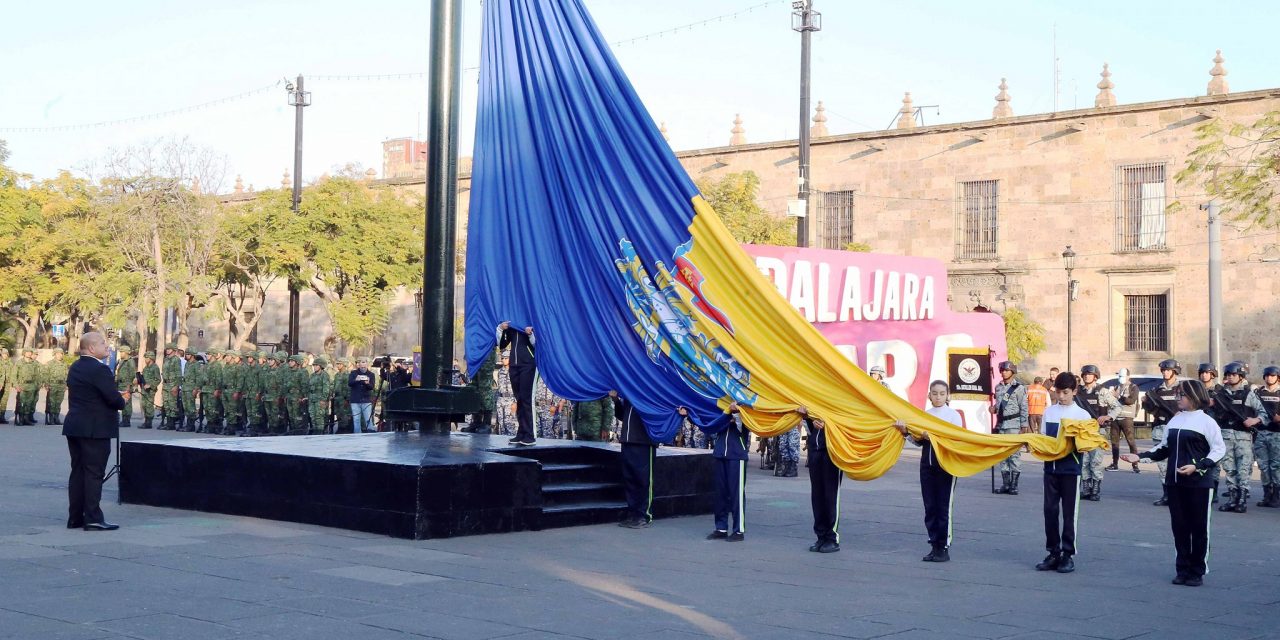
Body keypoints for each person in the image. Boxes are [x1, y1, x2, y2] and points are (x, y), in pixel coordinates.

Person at [1122, 379, 1225, 587]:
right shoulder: (1175, 421)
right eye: (1178, 394)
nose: (1178, 398)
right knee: (1179, 527)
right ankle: (1182, 568)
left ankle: (1197, 570)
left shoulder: (1207, 422)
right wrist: (1138, 456)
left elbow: (1219, 449)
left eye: (1182, 395)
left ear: (1195, 397)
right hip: (1175, 482)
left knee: (1199, 527)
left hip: (1199, 483)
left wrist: (1198, 466)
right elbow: (1163, 449)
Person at [62, 332, 127, 532]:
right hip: (95, 429)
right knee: (93, 473)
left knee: (78, 472)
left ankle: (75, 517)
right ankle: (93, 518)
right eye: (102, 343)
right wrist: (121, 399)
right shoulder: (100, 369)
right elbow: (113, 399)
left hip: (75, 426)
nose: (107, 347)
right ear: (91, 348)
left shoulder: (76, 366)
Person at [893, 380, 963, 562]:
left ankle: (943, 547)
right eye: (934, 393)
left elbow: (956, 440)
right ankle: (934, 544)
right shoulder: (925, 415)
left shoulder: (953, 416)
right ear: (929, 395)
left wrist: (932, 436)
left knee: (943, 507)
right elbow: (918, 441)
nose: (938, 397)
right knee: (930, 507)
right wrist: (905, 432)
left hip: (946, 467)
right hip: (927, 466)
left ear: (948, 395)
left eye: (941, 393)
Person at [1035, 371, 1092, 574]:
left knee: (1069, 514)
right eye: (1058, 392)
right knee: (1049, 511)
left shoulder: (1082, 416)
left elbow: (1088, 445)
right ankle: (1053, 552)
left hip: (1070, 470)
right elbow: (1042, 438)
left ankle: (1068, 554)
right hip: (1050, 469)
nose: (1061, 396)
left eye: (1066, 392)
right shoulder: (1050, 412)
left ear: (1074, 391)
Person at [1212, 361, 1262, 513]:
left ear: (1241, 376)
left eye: (1234, 374)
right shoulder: (1220, 394)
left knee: (1243, 468)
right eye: (1228, 375)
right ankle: (1232, 498)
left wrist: (1255, 420)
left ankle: (1242, 500)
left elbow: (1263, 411)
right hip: (1226, 435)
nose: (1230, 377)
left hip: (1243, 437)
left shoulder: (1248, 394)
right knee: (1229, 468)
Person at [700, 402, 749, 542]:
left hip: (737, 456)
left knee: (736, 495)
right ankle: (721, 528)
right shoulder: (721, 408)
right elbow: (713, 427)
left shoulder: (744, 407)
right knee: (720, 493)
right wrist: (726, 415)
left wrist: (735, 414)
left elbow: (741, 428)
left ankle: (738, 530)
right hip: (720, 454)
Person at [1075, 364, 1122, 501]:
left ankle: (1095, 489)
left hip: (1097, 432)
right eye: (1085, 374)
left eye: (1090, 374)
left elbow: (1117, 406)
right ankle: (1086, 488)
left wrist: (1108, 416)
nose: (1087, 376)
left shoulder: (1102, 391)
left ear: (1096, 376)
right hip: (1083, 431)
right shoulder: (1078, 392)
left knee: (1095, 461)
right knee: (1084, 462)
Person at [610, 390, 656, 528]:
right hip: (627, 440)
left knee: (643, 480)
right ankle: (633, 513)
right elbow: (621, 415)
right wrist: (616, 400)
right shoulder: (629, 392)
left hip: (644, 442)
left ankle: (643, 515)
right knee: (630, 479)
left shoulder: (650, 393)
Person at [802, 406, 842, 553]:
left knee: (831, 496)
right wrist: (808, 418)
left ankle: (832, 538)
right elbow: (810, 428)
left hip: (833, 452)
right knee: (817, 496)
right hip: (815, 450)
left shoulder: (838, 399)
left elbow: (847, 422)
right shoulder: (815, 398)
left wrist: (828, 425)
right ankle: (821, 536)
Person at [1142, 359, 1182, 506]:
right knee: (1163, 465)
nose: (1165, 372)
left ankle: (1180, 494)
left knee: (1180, 462)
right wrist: (1146, 402)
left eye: (1168, 370)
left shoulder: (1182, 388)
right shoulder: (1157, 390)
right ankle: (1167, 494)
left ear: (1175, 371)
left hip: (1178, 430)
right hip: (1160, 428)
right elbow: (1150, 410)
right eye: (1163, 370)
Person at [991, 361, 1028, 495]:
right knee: (1003, 454)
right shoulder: (998, 387)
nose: (1004, 372)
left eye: (1007, 370)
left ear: (1012, 372)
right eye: (1002, 370)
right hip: (1001, 425)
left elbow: (1023, 407)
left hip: (1014, 425)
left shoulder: (1019, 388)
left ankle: (1014, 485)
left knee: (1014, 455)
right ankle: (1005, 484)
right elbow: (998, 405)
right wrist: (993, 409)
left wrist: (1024, 424)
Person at [498, 321, 537, 446]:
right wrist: (501, 329)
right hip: (514, 365)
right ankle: (521, 432)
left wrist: (530, 334)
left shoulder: (531, 321)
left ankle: (529, 435)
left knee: (526, 399)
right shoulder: (513, 325)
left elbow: (538, 344)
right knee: (519, 399)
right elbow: (502, 344)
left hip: (527, 364)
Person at [1251, 366, 1280, 508]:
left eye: (1272, 375)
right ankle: (1267, 495)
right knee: (1263, 466)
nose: (1269, 378)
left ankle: (1276, 495)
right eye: (1267, 375)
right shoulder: (1258, 393)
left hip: (1277, 434)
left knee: (1276, 466)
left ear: (1277, 377)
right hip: (1261, 433)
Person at [1107, 368, 1141, 473]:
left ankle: (1135, 465)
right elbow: (1112, 402)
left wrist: (1119, 396)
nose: (1120, 379)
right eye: (1119, 376)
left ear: (1128, 377)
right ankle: (1115, 464)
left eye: (1122, 376)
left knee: (1131, 442)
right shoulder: (1117, 387)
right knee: (1114, 442)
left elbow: (1130, 400)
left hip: (1127, 418)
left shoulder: (1133, 387)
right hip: (1115, 417)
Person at [349, 357, 376, 433]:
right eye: (361, 366)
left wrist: (367, 383)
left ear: (367, 365)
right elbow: (350, 383)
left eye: (364, 366)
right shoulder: (353, 373)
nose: (363, 368)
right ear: (359, 365)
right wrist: (356, 380)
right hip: (355, 400)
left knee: (368, 419)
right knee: (356, 419)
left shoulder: (371, 374)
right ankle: (357, 435)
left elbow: (372, 387)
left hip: (366, 400)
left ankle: (370, 433)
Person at [42, 348, 69, 425]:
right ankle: (51, 418)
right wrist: (46, 384)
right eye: (58, 354)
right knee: (51, 402)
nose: (60, 355)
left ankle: (56, 418)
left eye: (61, 353)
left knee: (58, 402)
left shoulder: (64, 364)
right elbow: (45, 374)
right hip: (52, 385)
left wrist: (66, 384)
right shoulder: (50, 363)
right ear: (54, 354)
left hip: (61, 385)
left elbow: (66, 374)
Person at [307, 356, 332, 435]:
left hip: (320, 400)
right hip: (312, 399)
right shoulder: (312, 375)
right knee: (313, 417)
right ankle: (315, 431)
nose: (314, 367)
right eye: (313, 365)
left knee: (319, 417)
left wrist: (323, 399)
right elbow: (309, 387)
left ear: (321, 366)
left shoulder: (324, 375)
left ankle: (320, 433)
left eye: (316, 365)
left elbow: (326, 388)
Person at [113, 346, 136, 428]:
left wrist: (129, 386)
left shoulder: (130, 361)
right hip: (120, 384)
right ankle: (124, 419)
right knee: (123, 402)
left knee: (127, 403)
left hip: (126, 384)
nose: (121, 353)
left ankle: (127, 420)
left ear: (126, 352)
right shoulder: (121, 361)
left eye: (122, 352)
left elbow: (132, 374)